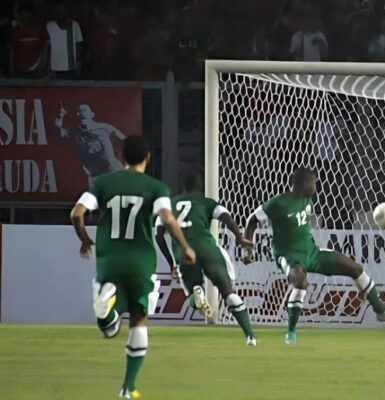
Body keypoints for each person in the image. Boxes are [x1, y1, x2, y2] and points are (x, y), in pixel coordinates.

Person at [70, 136, 196, 399]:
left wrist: (84, 239)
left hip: (110, 258)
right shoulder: (156, 187)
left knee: (109, 329)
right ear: (148, 158)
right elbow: (167, 219)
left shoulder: (102, 183)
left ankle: (108, 311)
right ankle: (128, 387)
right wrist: (184, 246)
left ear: (122, 157)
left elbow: (76, 213)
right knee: (139, 319)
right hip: (140, 259)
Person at [244, 167, 385, 344]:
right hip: (289, 257)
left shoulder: (308, 201)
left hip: (313, 253)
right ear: (302, 184)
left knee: (355, 268)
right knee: (300, 282)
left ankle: (380, 309)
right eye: (314, 183)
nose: (316, 187)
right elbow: (252, 220)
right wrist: (248, 247)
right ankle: (291, 333)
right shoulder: (278, 203)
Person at [155, 174, 257, 346]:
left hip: (184, 252)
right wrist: (239, 238)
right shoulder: (207, 202)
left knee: (193, 298)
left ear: (183, 187)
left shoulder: (169, 205)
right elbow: (227, 218)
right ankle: (250, 337)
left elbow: (158, 235)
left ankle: (197, 293)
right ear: (200, 187)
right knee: (229, 294)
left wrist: (171, 262)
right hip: (207, 248)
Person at [56, 103, 126, 184]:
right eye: (79, 112)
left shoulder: (105, 128)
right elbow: (58, 132)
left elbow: (126, 141)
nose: (81, 113)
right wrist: (60, 115)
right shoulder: (74, 132)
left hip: (114, 172)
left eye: (85, 111)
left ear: (92, 114)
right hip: (96, 178)